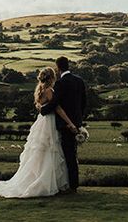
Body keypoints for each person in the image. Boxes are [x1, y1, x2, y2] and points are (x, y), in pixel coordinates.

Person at [0, 66, 74, 198]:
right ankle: (46, 183)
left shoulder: (40, 90)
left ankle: (44, 180)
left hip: (42, 121)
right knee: (49, 150)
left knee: (40, 152)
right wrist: (69, 122)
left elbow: (42, 107)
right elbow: (58, 108)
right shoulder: (49, 90)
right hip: (49, 122)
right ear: (52, 78)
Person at [39, 56, 87, 192]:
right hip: (76, 123)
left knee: (67, 154)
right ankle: (74, 184)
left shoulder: (60, 83)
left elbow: (55, 104)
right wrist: (78, 121)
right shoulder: (79, 81)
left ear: (58, 68)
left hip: (65, 124)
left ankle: (71, 186)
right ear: (68, 65)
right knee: (73, 154)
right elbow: (83, 103)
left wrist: (43, 110)